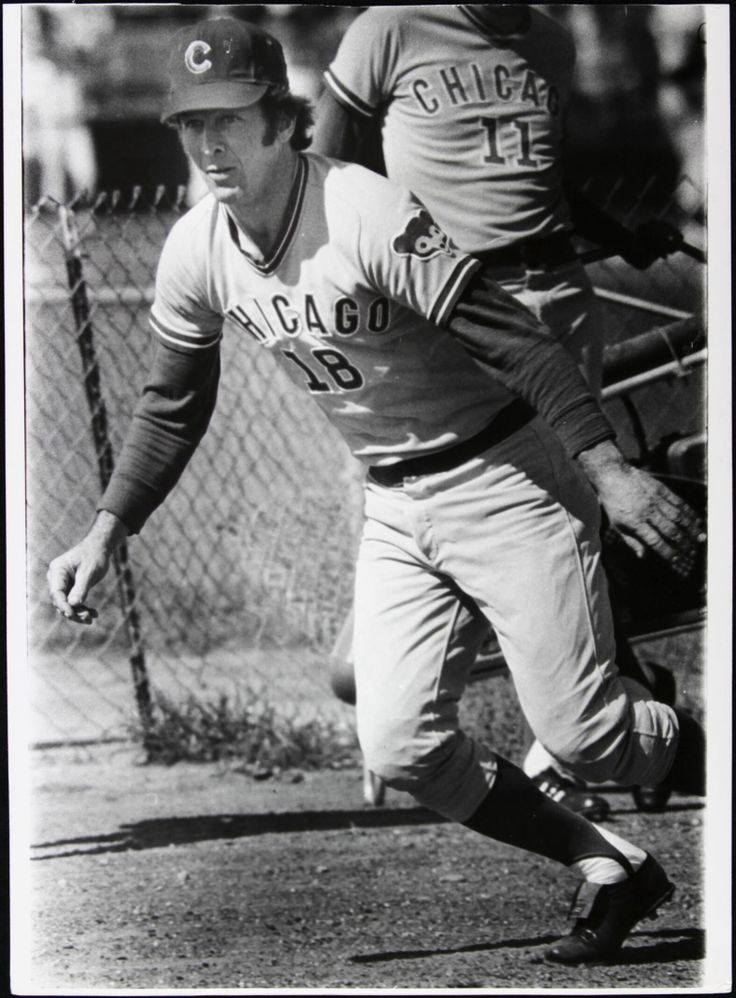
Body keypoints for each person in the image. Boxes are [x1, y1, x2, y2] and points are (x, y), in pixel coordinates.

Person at [47, 18, 706, 965]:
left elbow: (516, 341)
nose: (208, 145)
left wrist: (610, 470)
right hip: (396, 506)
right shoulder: (197, 250)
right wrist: (106, 532)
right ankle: (613, 868)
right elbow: (169, 406)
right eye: (190, 125)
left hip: (506, 475)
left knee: (592, 735)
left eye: (230, 121)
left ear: (282, 121)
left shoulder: (363, 212)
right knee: (402, 742)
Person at [311, 3, 687, 818]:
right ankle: (530, 721)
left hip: (558, 291)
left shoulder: (548, 40)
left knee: (569, 516)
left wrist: (618, 233)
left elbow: (535, 182)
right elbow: (327, 167)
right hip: (455, 305)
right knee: (477, 505)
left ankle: (575, 739)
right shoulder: (390, 29)